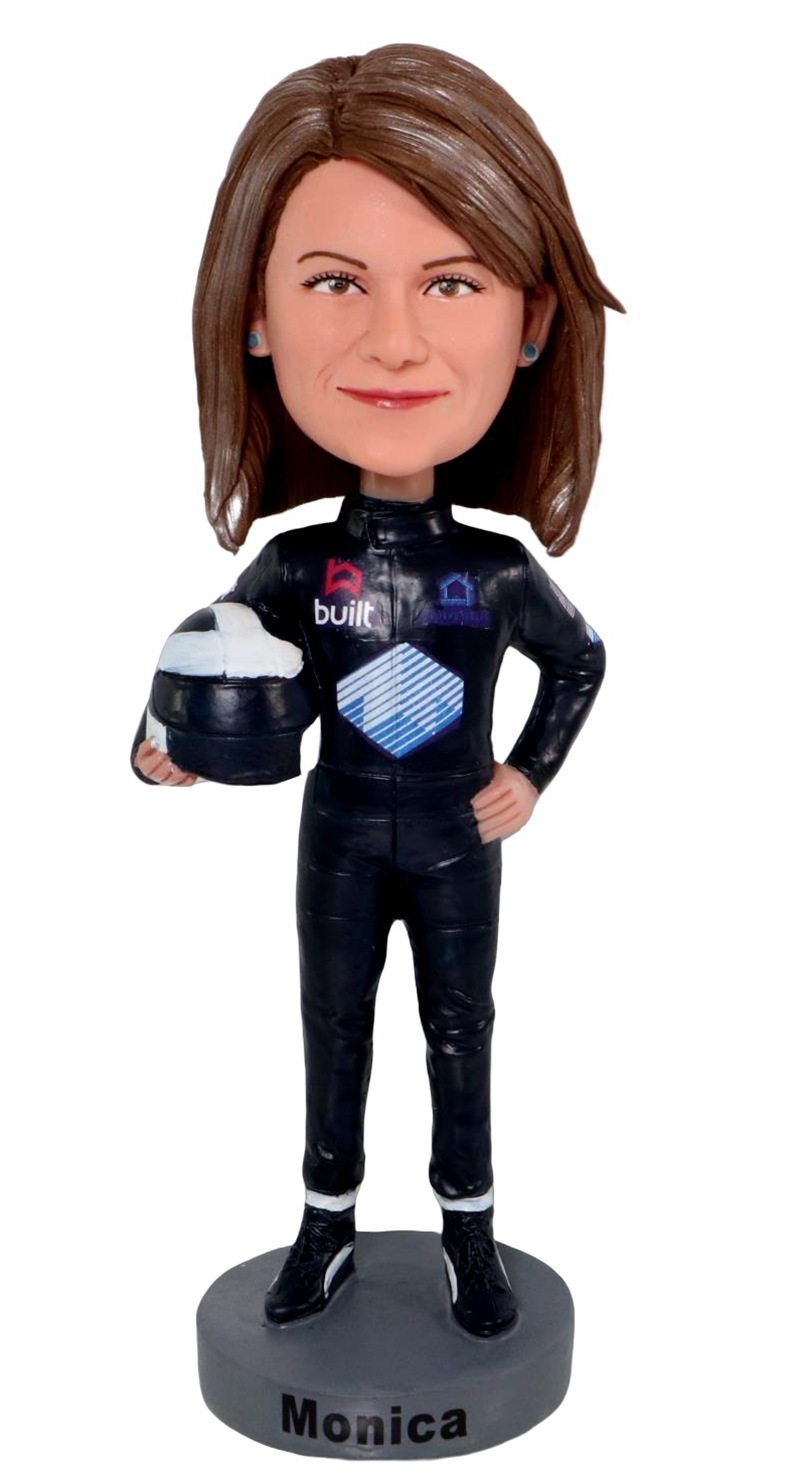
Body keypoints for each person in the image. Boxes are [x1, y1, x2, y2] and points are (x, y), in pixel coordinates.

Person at [133, 44, 622, 1337]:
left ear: (529, 322)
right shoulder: (299, 563)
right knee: (332, 1028)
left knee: (462, 1031)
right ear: (255, 311)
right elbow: (213, 642)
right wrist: (164, 736)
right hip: (342, 826)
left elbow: (580, 659)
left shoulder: (497, 570)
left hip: (457, 833)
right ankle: (325, 1226)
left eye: (452, 282)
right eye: (335, 282)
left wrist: (530, 773)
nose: (394, 342)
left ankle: (472, 1233)